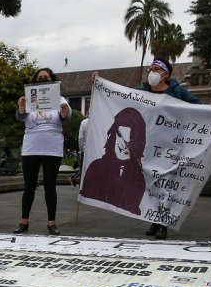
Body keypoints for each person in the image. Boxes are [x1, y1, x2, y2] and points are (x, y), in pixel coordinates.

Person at [139, 57, 201, 238]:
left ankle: (163, 223)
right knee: (151, 185)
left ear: (165, 74)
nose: (151, 73)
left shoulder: (178, 92)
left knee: (166, 184)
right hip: (149, 145)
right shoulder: (143, 91)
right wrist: (101, 84)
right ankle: (154, 219)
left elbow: (199, 106)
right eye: (150, 69)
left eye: (155, 69)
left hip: (171, 146)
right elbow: (121, 93)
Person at [15, 67, 70, 235]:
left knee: (50, 186)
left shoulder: (61, 99)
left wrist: (63, 112)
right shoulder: (29, 99)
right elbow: (19, 117)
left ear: (52, 80)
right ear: (35, 80)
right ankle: (24, 221)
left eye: (46, 77)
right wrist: (21, 108)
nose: (43, 79)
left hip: (52, 149)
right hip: (31, 148)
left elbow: (67, 119)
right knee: (29, 186)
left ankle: (51, 222)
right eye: (40, 77)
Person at [83, 107, 148, 214]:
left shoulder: (138, 179)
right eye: (120, 136)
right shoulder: (95, 168)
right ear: (113, 135)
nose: (123, 146)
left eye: (130, 141)